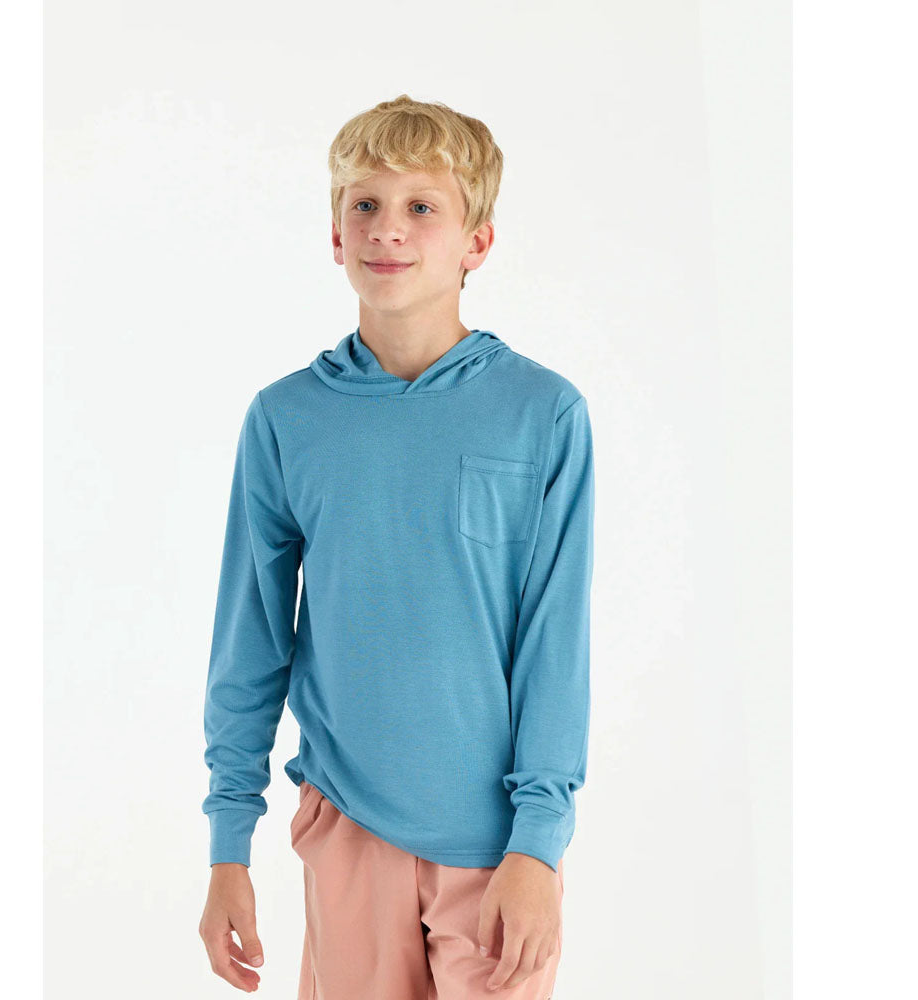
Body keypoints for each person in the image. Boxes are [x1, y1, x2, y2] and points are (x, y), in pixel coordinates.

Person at [198, 94, 595, 1000]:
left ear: (477, 242)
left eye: (422, 206)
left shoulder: (542, 414)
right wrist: (228, 847)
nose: (388, 229)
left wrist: (538, 845)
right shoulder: (287, 419)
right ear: (335, 234)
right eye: (365, 205)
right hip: (347, 831)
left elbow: (554, 643)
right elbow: (251, 641)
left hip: (497, 851)